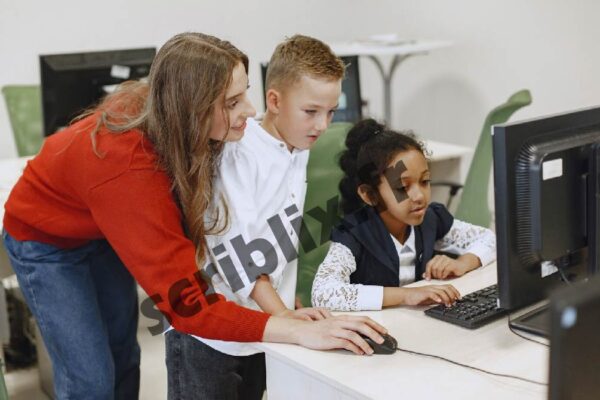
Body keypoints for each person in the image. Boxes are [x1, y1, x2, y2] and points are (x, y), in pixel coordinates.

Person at [1, 33, 386, 400]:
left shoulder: (171, 109)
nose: (250, 111)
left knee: (123, 355)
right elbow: (188, 306)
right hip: (45, 239)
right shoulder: (130, 173)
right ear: (192, 109)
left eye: (245, 94)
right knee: (91, 378)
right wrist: (292, 329)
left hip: (102, 224)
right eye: (232, 103)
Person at [166, 34, 346, 400]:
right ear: (275, 101)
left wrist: (287, 302)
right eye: (311, 111)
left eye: (331, 112)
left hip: (257, 330)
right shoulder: (238, 151)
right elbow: (237, 253)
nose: (322, 125)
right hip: (209, 338)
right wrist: (282, 317)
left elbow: (279, 234)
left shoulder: (297, 147)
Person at [311, 119, 497, 311]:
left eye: (425, 181)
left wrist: (462, 263)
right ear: (369, 194)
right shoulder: (354, 234)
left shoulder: (431, 219)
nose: (418, 196)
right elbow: (323, 293)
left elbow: (489, 238)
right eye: (402, 187)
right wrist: (407, 295)